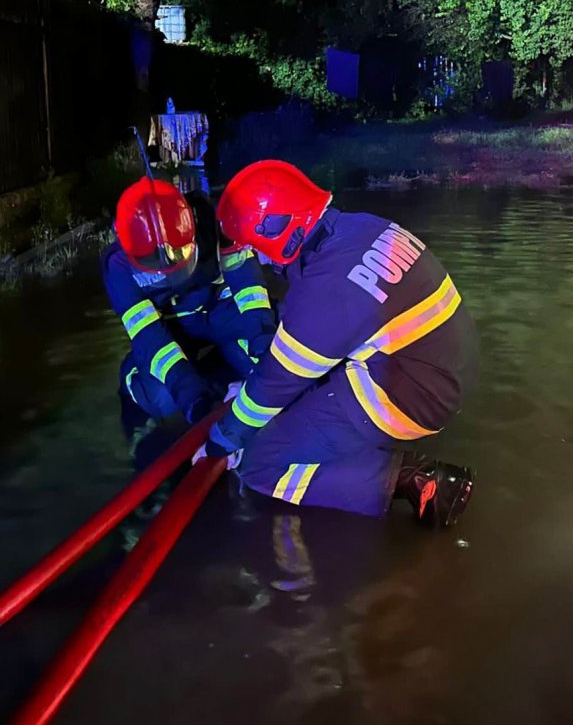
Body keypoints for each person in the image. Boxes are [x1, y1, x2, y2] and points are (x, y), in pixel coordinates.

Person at [193, 160, 478, 527]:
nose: (259, 259)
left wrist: (221, 440)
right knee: (284, 410)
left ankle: (417, 480)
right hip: (444, 364)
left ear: (278, 232)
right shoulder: (356, 227)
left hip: (413, 392)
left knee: (259, 460)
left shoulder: (325, 291)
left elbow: (274, 386)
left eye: (257, 248)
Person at [102, 177, 276, 426]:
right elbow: (148, 335)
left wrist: (264, 343)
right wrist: (195, 402)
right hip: (169, 329)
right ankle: (139, 382)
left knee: (273, 351)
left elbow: (248, 287)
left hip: (218, 310)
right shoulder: (117, 265)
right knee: (161, 397)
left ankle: (221, 372)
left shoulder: (217, 220)